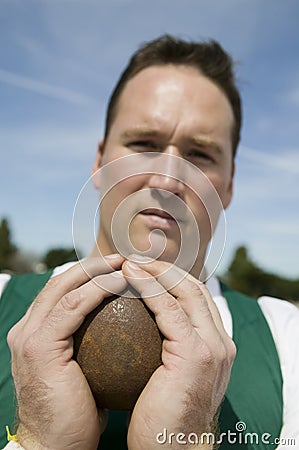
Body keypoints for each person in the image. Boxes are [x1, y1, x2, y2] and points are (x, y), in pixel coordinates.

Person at [0, 34, 298, 450]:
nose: (167, 179)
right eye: (144, 145)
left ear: (228, 186)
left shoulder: (286, 341)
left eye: (201, 154)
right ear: (99, 160)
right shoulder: (3, 301)